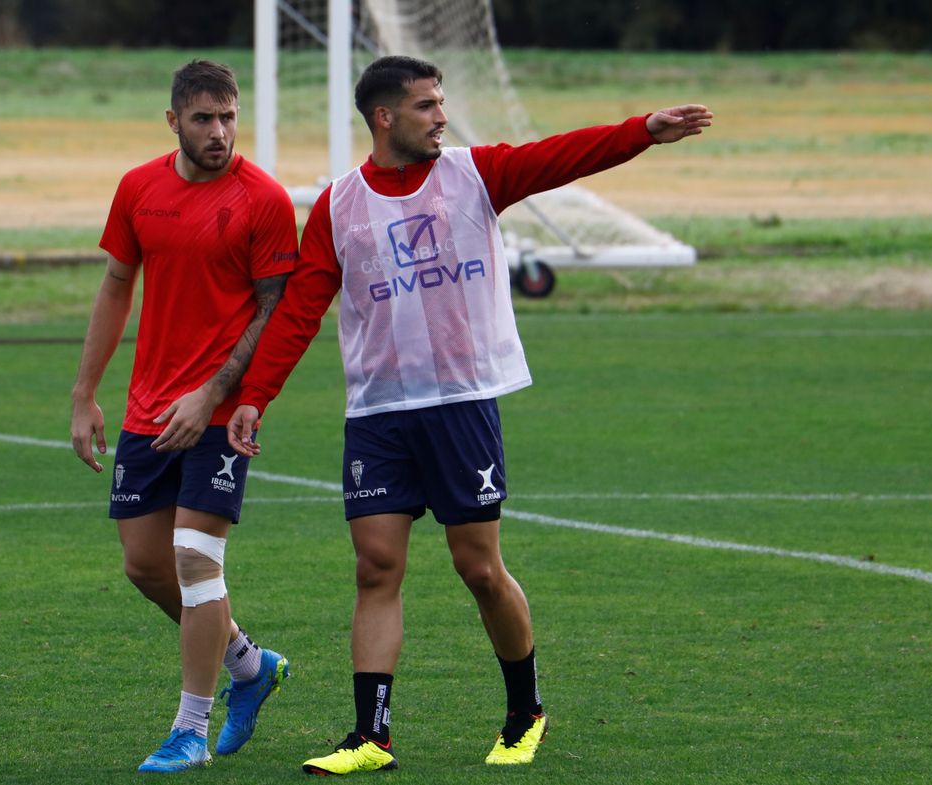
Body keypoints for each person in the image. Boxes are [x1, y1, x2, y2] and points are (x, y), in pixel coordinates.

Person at [226, 55, 713, 775]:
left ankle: (526, 711)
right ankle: (371, 735)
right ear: (386, 116)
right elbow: (300, 311)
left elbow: (557, 157)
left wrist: (640, 131)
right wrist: (254, 396)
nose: (442, 116)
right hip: (379, 413)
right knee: (375, 568)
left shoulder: (473, 176)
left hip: (460, 406)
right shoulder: (338, 207)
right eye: (426, 105)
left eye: (441, 102)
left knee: (478, 566)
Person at [68, 59, 297, 773]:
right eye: (203, 119)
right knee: (144, 565)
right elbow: (115, 285)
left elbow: (274, 308)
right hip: (148, 409)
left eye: (229, 117)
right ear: (173, 121)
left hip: (223, 414)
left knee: (197, 563)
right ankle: (250, 665)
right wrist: (84, 392)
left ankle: (189, 730)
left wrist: (217, 394)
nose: (220, 132)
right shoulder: (139, 188)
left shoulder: (263, 198)